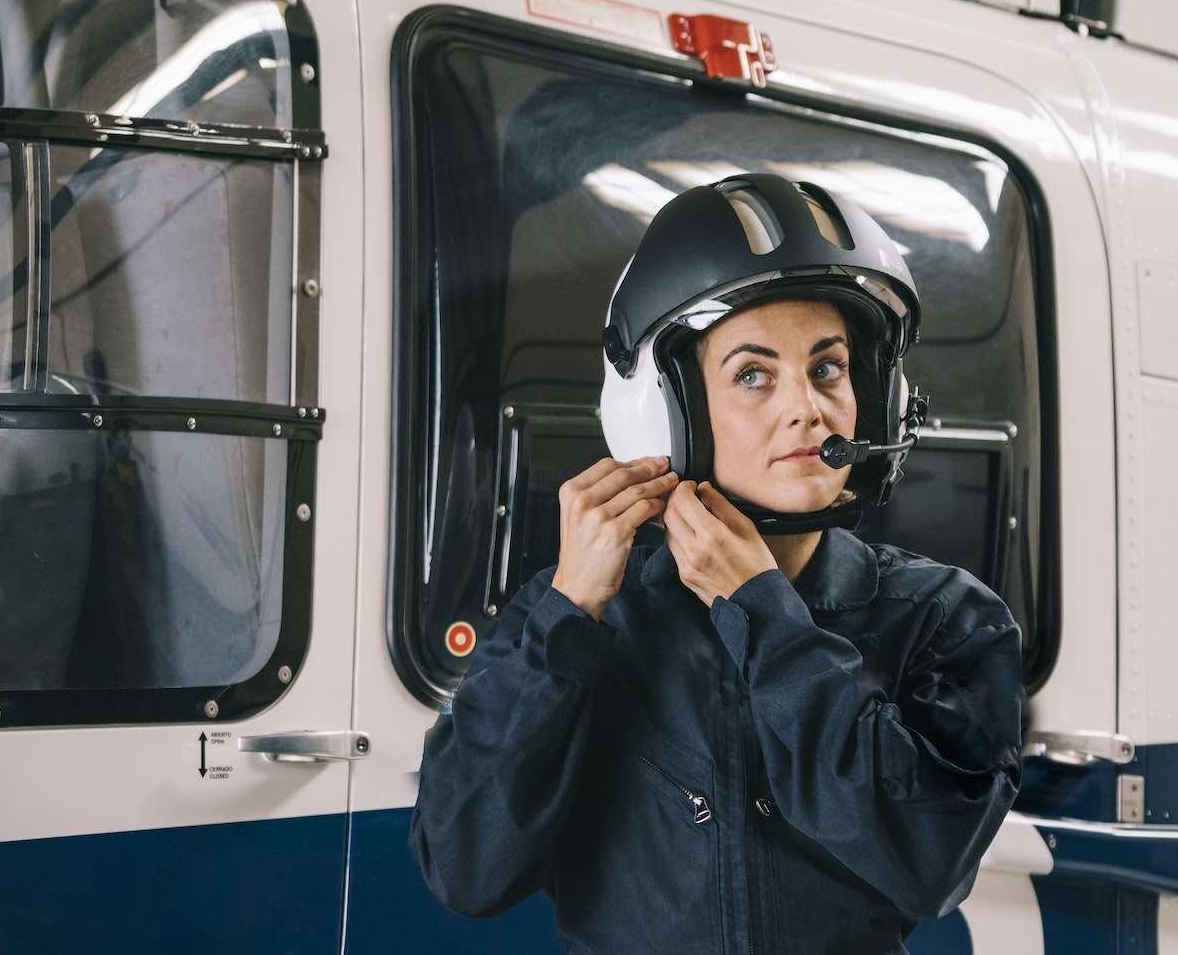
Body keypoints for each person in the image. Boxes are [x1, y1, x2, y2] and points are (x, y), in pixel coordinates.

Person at [410, 172, 1024, 953]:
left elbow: (929, 860)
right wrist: (568, 620)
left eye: (829, 367)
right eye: (753, 375)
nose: (807, 406)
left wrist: (760, 610)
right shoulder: (574, 613)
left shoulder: (945, 618)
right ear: (667, 409)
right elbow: (467, 870)